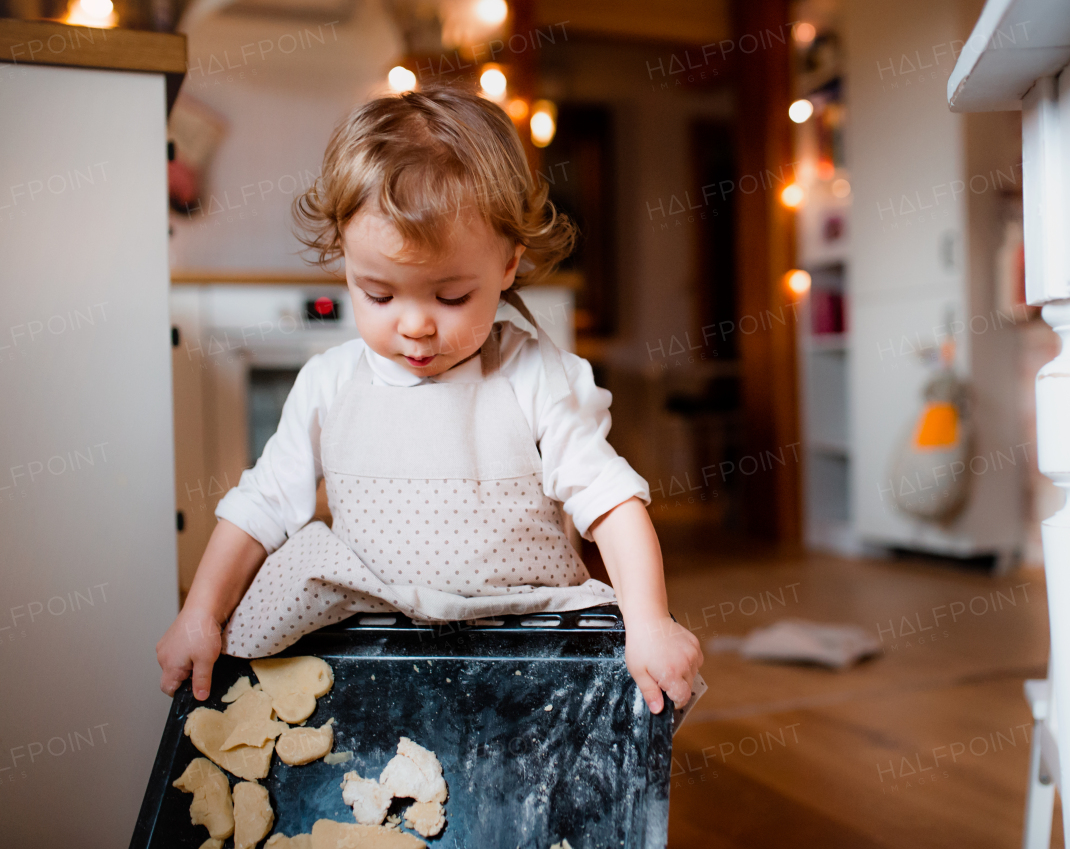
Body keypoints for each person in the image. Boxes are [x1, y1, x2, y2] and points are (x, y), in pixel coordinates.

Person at [155, 83, 703, 717]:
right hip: (373, 646)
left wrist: (650, 622)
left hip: (521, 643)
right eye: (380, 295)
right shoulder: (331, 383)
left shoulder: (534, 377)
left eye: (450, 298)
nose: (415, 326)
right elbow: (261, 505)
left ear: (507, 266)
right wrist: (200, 612)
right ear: (343, 257)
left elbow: (610, 502)